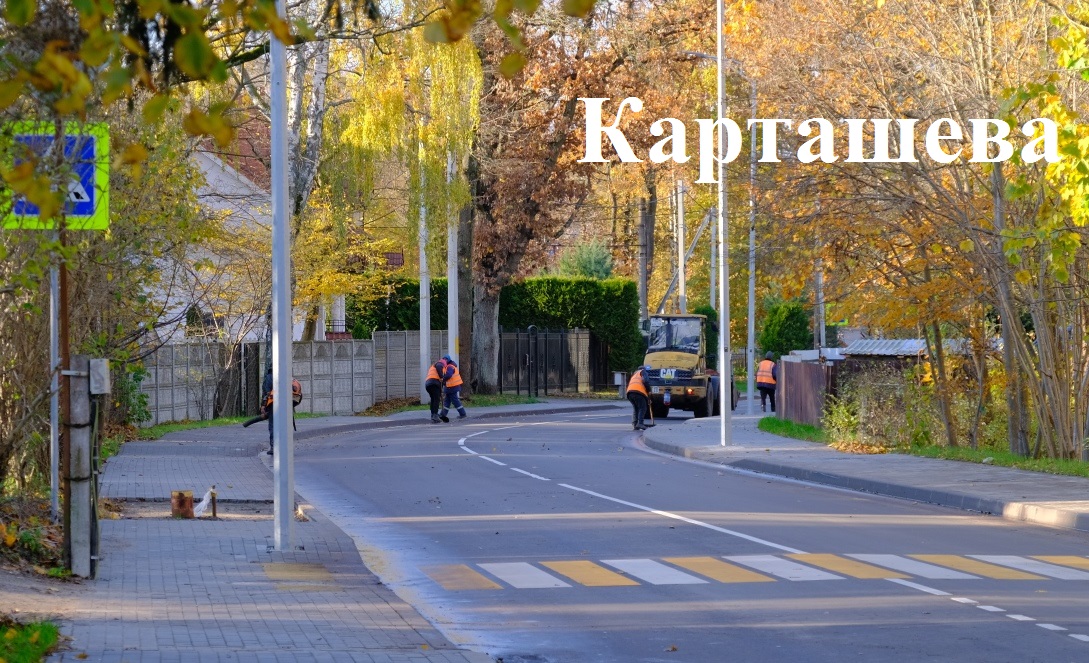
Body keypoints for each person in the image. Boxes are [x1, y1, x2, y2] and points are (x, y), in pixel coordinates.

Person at [424, 357, 454, 423]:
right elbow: (440, 373)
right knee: (436, 399)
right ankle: (435, 415)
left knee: (433, 399)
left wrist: (442, 386)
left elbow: (440, 381)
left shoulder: (434, 366)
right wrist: (442, 377)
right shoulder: (440, 364)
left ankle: (433, 414)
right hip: (434, 383)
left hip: (428, 384)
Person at [439, 355, 468, 420]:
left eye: (445, 359)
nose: (444, 360)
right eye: (444, 359)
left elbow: (448, 375)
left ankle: (463, 414)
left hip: (452, 387)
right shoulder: (450, 366)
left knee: (455, 401)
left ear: (448, 360)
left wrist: (443, 379)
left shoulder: (450, 367)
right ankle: (442, 414)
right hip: (451, 387)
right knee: (447, 401)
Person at [626, 366, 653, 431]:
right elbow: (646, 381)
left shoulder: (634, 374)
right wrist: (649, 390)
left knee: (636, 409)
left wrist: (648, 398)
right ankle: (640, 423)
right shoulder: (643, 372)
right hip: (638, 392)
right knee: (643, 408)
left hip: (630, 393)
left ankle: (635, 424)